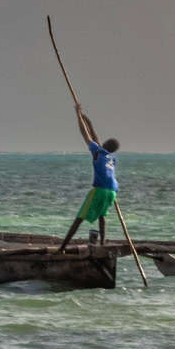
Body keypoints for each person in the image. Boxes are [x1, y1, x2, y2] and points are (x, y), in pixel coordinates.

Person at [59, 103, 121, 250]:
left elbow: (85, 134)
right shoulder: (112, 158)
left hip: (100, 190)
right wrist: (87, 120)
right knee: (102, 216)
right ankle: (102, 243)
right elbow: (94, 135)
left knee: (79, 218)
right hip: (112, 191)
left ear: (104, 144)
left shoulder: (97, 152)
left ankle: (62, 248)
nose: (101, 141)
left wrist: (78, 115)